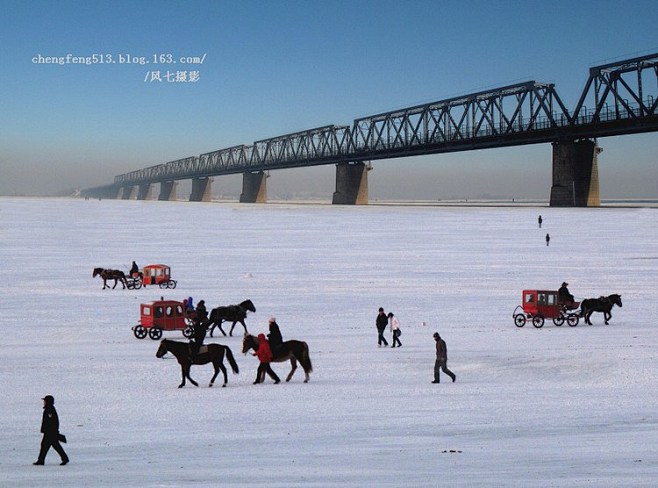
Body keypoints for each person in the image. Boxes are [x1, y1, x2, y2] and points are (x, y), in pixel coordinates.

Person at [34, 395, 69, 466]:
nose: (44, 402)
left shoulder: (49, 410)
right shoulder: (49, 409)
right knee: (52, 445)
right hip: (49, 432)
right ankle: (41, 460)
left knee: (47, 445)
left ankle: (41, 460)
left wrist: (51, 431)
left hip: (50, 433)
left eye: (45, 401)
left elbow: (52, 422)